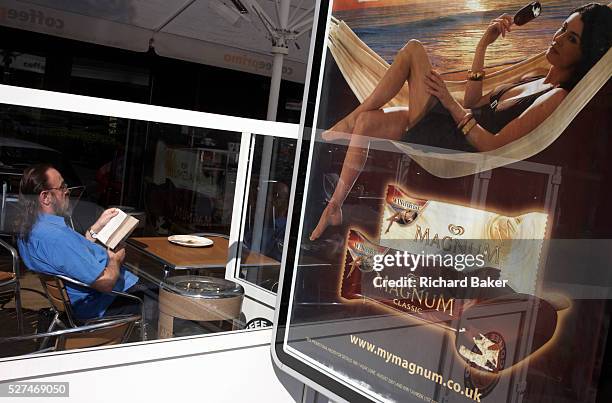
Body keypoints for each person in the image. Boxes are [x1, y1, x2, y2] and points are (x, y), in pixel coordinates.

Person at [310, 3, 612, 241]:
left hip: (457, 143)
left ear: (585, 53)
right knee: (366, 124)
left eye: (571, 39)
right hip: (450, 123)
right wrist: (482, 46)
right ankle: (334, 207)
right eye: (562, 28)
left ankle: (344, 123)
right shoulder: (533, 77)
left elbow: (491, 145)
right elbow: (473, 102)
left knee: (414, 50)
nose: (558, 39)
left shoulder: (555, 97)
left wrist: (446, 98)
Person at [16, 163, 145, 320]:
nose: (67, 191)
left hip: (81, 303)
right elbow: (106, 283)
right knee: (168, 302)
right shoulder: (57, 237)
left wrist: (95, 229)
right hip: (106, 302)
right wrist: (115, 259)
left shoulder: (28, 230)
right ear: (45, 197)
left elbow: (69, 258)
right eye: (62, 187)